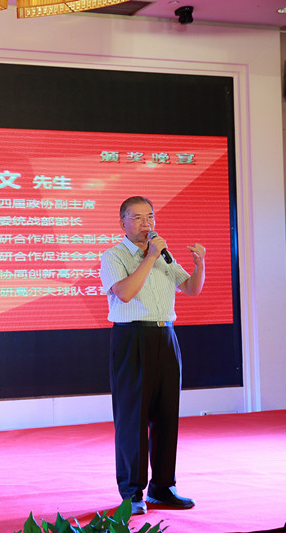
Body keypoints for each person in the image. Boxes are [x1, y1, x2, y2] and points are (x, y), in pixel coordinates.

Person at [99, 196, 205, 515]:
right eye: (138, 218)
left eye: (150, 217)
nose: (146, 224)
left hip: (165, 335)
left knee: (166, 415)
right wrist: (150, 256)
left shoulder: (164, 256)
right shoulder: (114, 256)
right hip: (132, 337)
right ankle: (132, 493)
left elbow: (191, 289)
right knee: (133, 418)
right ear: (122, 222)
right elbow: (125, 293)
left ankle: (162, 487)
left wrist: (199, 264)